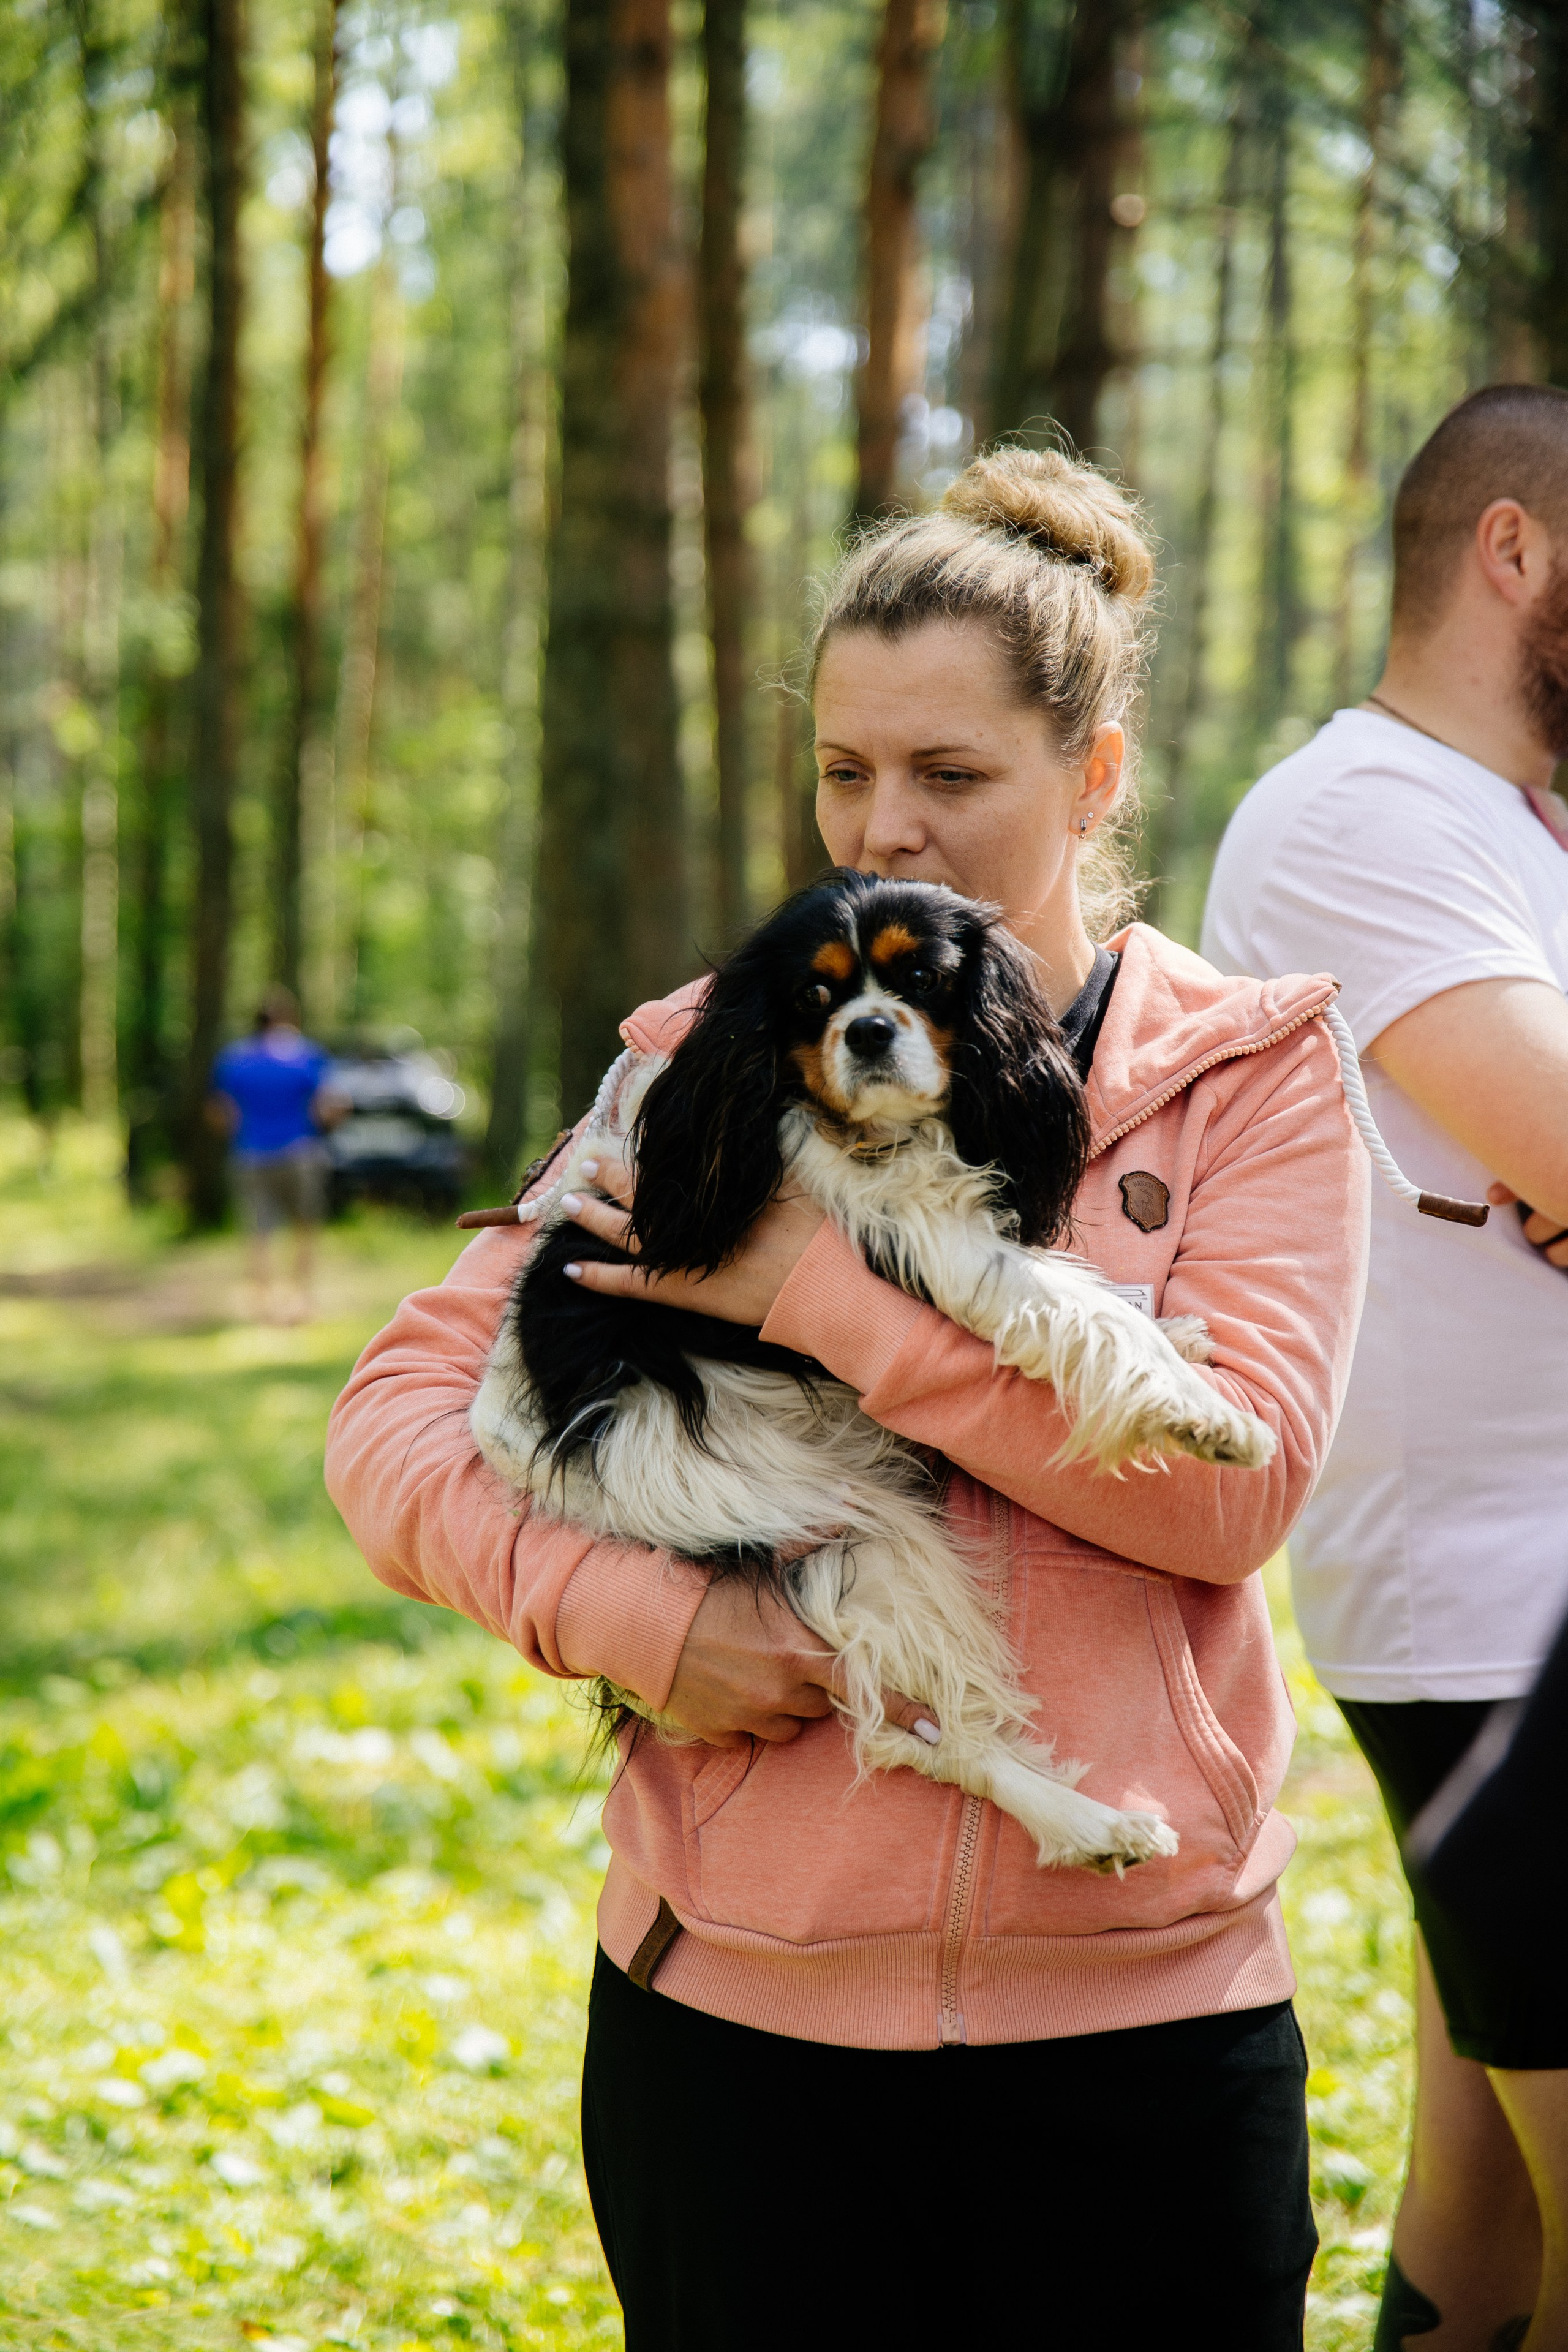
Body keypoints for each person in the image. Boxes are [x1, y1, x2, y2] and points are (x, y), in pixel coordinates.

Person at [325, 447, 1368, 2350]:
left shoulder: (1250, 1080)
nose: (886, 820)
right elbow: (391, 1421)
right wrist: (646, 1613)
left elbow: (1232, 1490)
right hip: (733, 2018)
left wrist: (816, 1299)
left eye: (952, 774)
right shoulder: (699, 1052)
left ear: (1096, 773)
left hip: (1143, 2023)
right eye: (844, 771)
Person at [1202, 383, 1568, 2352]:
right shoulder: (1354, 811)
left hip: (1538, 1599)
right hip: (1481, 1597)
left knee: (1485, 2196)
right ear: (1509, 550)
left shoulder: (1519, 834)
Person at [208, 987, 339, 1324]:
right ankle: (301, 1301)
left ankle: (263, 1305)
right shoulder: (306, 1055)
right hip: (299, 1152)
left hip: (250, 1153)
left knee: (259, 1229)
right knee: (305, 1225)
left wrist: (242, 1133)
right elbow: (328, 1106)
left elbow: (219, 1112)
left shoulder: (235, 1059)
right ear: (287, 1020)